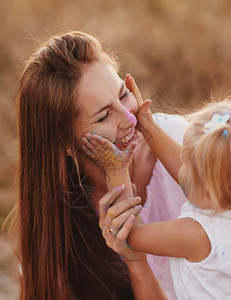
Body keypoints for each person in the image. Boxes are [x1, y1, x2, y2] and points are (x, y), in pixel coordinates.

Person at [84, 92, 231, 299]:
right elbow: (190, 179)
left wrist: (116, 170)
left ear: (207, 192)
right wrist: (148, 126)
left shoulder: (199, 235)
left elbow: (130, 234)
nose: (180, 162)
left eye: (186, 161)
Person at [11, 31, 188, 299]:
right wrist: (135, 263)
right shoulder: (59, 212)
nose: (129, 118)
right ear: (65, 142)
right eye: (104, 115)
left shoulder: (180, 146)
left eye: (124, 94)